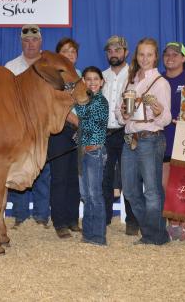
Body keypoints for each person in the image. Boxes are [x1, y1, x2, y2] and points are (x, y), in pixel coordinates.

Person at [118, 38, 171, 246]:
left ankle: (154, 236)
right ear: (136, 56)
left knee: (151, 191)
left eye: (149, 55)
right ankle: (153, 231)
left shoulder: (160, 83)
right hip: (130, 138)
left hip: (150, 138)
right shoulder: (130, 80)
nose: (145, 58)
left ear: (155, 57)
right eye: (141, 54)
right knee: (130, 190)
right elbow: (121, 113)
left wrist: (158, 111)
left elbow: (165, 119)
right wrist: (122, 113)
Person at [4, 24, 51, 228]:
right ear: (21, 42)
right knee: (19, 169)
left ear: (40, 41)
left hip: (42, 127)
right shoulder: (10, 67)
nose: (30, 43)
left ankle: (41, 216)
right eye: (26, 40)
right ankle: (20, 215)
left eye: (34, 39)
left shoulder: (49, 66)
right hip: (18, 127)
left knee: (43, 169)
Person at [102, 35, 139, 235]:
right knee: (105, 176)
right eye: (110, 51)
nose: (113, 54)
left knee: (129, 176)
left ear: (126, 53)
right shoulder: (101, 76)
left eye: (117, 50)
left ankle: (132, 221)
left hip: (126, 131)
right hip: (106, 132)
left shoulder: (134, 75)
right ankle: (105, 219)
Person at [48, 37, 81, 239]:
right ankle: (59, 222)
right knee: (59, 177)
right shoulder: (53, 78)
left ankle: (72, 219)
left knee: (73, 177)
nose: (70, 54)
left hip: (78, 130)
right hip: (60, 130)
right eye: (65, 51)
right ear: (58, 55)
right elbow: (56, 106)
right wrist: (78, 121)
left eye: (73, 51)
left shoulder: (79, 76)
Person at [73, 66, 109, 245]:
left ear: (102, 82)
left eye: (96, 79)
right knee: (86, 195)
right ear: (83, 82)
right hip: (84, 152)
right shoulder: (85, 101)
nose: (92, 82)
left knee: (94, 194)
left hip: (95, 151)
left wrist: (71, 113)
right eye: (88, 79)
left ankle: (98, 236)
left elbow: (85, 123)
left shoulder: (100, 101)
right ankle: (88, 234)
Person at [160, 41, 185, 241]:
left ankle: (183, 223)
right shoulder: (158, 80)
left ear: (184, 58)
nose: (171, 57)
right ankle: (172, 220)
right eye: (167, 53)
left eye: (176, 54)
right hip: (163, 139)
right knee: (165, 184)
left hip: (184, 140)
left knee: (182, 184)